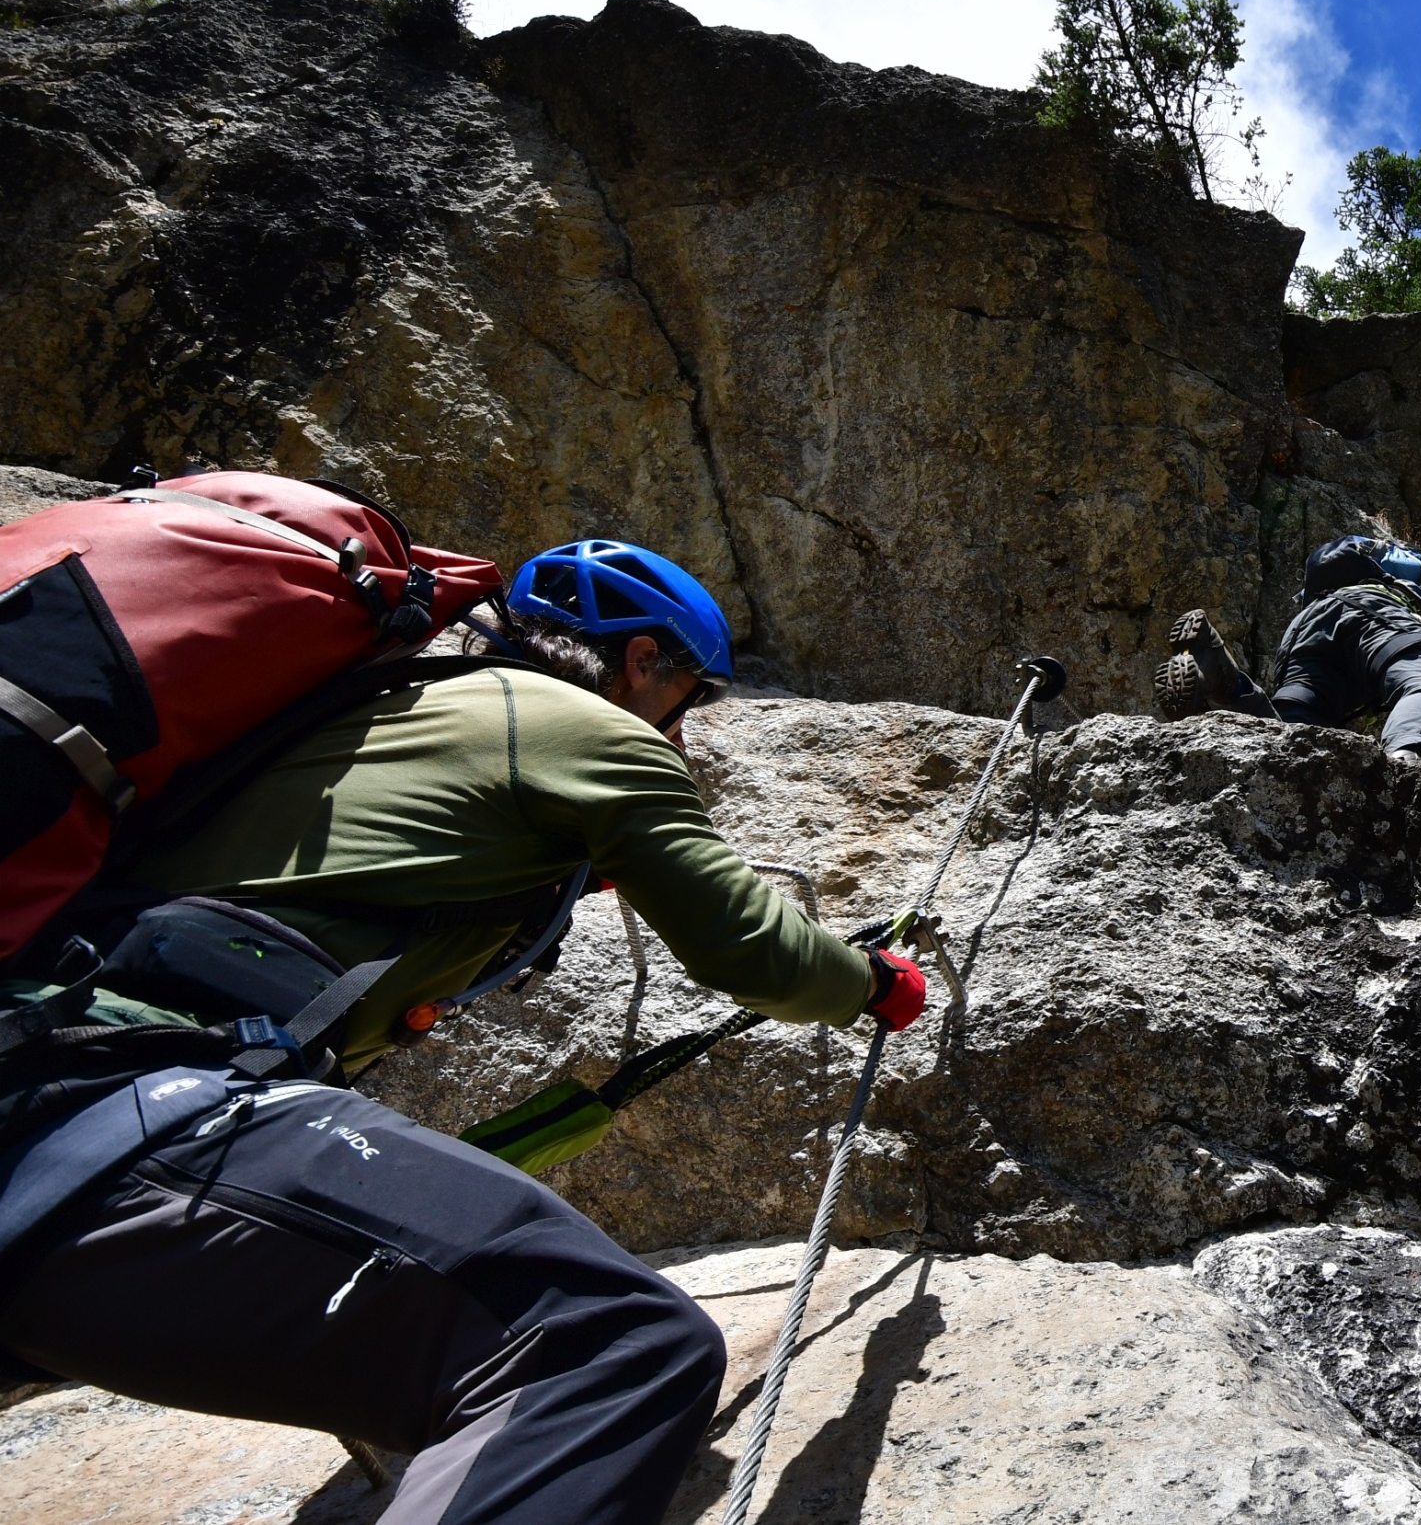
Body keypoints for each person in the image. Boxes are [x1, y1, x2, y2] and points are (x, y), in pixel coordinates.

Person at [0, 539, 926, 1525]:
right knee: (606, 1345)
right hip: (122, 1116)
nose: (682, 735)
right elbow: (755, 951)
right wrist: (871, 984)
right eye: (688, 698)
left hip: (54, 1103)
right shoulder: (580, 729)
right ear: (645, 660)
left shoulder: (375, 709)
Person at [1153, 539, 1421, 768]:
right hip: (1377, 616)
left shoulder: (1320, 597)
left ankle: (1227, 684)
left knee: (1290, 747)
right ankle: (1404, 765)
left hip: (1306, 632)